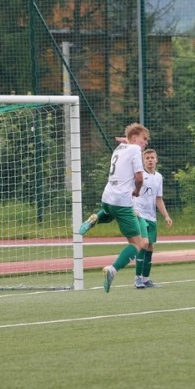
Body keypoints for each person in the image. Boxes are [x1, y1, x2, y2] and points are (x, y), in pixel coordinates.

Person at [80, 123, 150, 293]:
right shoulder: (135, 150)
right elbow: (139, 178)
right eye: (144, 138)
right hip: (122, 201)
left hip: (107, 198)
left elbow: (127, 142)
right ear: (135, 138)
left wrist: (127, 140)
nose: (146, 142)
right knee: (138, 244)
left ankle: (96, 218)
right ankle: (113, 269)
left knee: (109, 212)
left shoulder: (119, 148)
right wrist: (136, 191)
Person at [132, 148, 173, 288]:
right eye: (147, 158)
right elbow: (130, 193)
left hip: (152, 216)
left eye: (152, 157)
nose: (150, 160)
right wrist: (133, 209)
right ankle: (137, 279)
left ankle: (146, 279)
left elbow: (158, 199)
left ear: (156, 160)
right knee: (143, 243)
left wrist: (166, 216)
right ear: (143, 161)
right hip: (139, 214)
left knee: (150, 246)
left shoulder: (158, 177)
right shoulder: (139, 176)